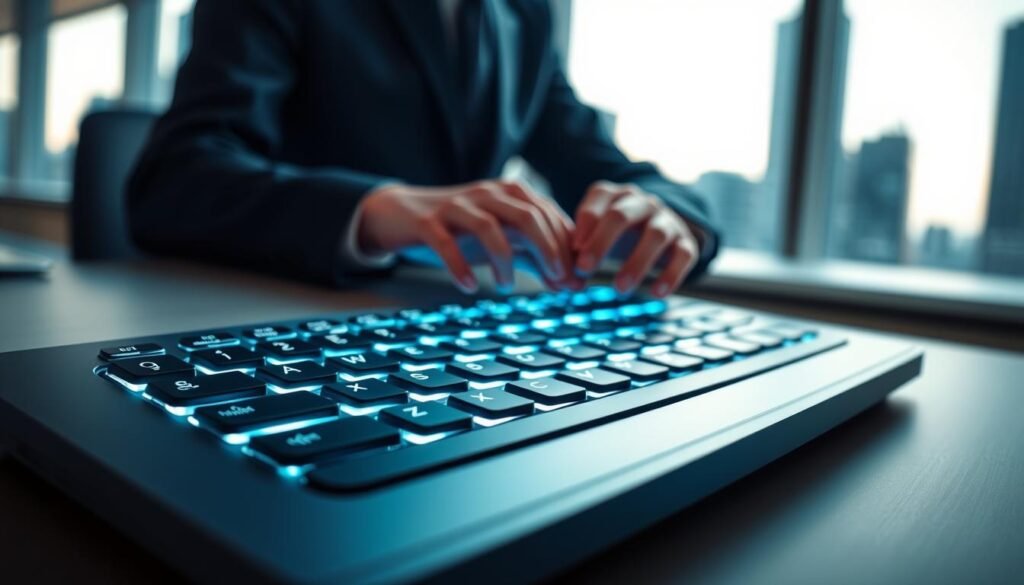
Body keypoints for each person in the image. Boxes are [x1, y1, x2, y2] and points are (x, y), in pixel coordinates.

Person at [128, 0, 718, 298]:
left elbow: (609, 168)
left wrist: (665, 211)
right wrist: (375, 210)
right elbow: (174, 180)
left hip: (456, 327)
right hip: (282, 312)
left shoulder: (524, 18)